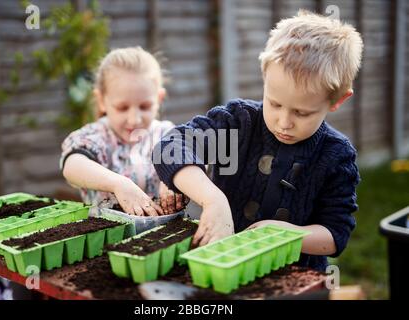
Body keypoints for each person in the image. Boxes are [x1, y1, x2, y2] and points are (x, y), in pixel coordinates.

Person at [153, 11, 363, 271]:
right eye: (274, 103)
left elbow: (336, 234)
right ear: (265, 78)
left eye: (302, 113)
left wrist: (284, 235)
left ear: (337, 100)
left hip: (294, 278)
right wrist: (212, 199)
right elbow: (171, 147)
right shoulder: (240, 124)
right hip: (221, 267)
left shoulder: (336, 155)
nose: (284, 121)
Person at [61, 47, 186, 216]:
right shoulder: (97, 136)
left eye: (144, 106)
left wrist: (178, 175)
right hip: (107, 236)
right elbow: (72, 165)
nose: (134, 119)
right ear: (102, 101)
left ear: (159, 99)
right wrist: (119, 184)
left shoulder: (166, 135)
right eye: (122, 108)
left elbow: (199, 158)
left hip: (165, 235)